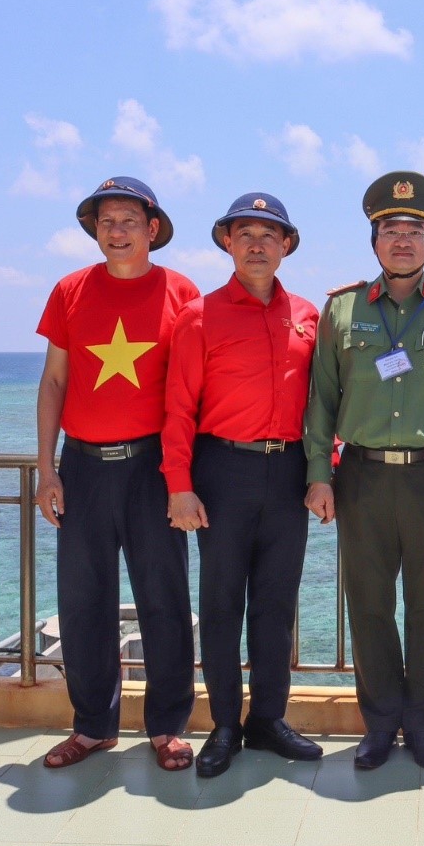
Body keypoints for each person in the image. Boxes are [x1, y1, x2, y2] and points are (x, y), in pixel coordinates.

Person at [303, 171, 424, 771]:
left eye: (414, 231)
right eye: (390, 230)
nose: (402, 240)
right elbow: (320, 402)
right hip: (360, 476)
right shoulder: (343, 309)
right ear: (374, 242)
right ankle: (380, 724)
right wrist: (318, 474)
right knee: (370, 603)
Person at [34, 176, 198, 771]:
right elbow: (53, 382)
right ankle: (93, 726)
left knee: (165, 600)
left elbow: (189, 391)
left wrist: (183, 478)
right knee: (83, 602)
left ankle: (167, 727)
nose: (118, 231)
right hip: (82, 466)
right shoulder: (69, 290)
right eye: (107, 222)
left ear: (152, 229)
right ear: (94, 231)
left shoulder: (181, 291)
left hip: (153, 467)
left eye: (129, 220)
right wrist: (45, 468)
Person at [161, 192, 322, 779]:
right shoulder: (198, 315)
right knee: (223, 604)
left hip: (288, 474)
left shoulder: (308, 315)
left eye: (269, 234)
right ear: (227, 243)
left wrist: (322, 468)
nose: (257, 244)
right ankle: (225, 724)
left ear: (286, 246)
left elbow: (324, 403)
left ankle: (269, 720)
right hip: (221, 471)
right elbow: (178, 409)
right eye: (245, 233)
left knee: (277, 607)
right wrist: (180, 486)